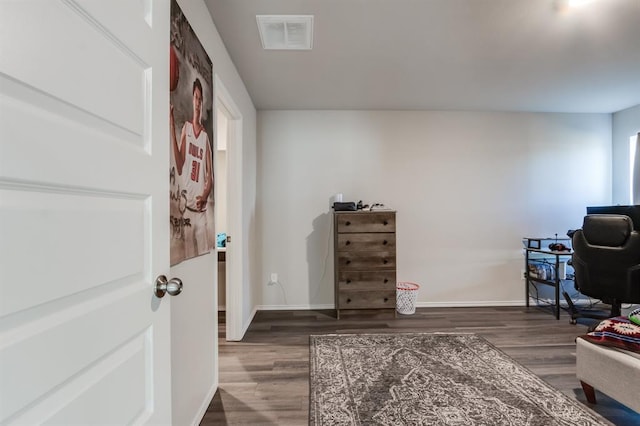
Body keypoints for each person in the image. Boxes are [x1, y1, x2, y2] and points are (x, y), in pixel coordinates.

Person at [170, 78, 213, 258]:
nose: (197, 102)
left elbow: (210, 176)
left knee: (203, 255)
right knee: (187, 256)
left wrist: (204, 195)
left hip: (201, 212)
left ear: (202, 102)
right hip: (187, 210)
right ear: (192, 100)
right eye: (195, 97)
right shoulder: (186, 129)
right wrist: (172, 125)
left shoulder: (205, 138)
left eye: (200, 99)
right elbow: (179, 165)